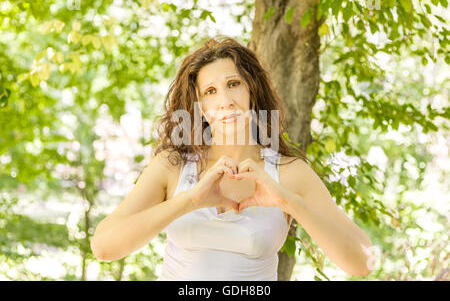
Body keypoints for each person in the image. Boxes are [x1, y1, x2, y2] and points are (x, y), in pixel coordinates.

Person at [90, 36, 374, 280]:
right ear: (200, 107)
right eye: (210, 91)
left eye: (234, 83)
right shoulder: (173, 165)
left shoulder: (288, 173)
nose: (225, 100)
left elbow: (363, 262)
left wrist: (288, 202)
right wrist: (190, 200)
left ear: (252, 89)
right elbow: (103, 247)